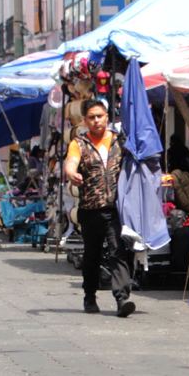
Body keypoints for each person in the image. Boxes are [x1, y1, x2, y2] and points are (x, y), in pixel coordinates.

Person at [64, 99, 135, 317]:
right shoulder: (79, 143)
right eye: (92, 117)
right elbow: (71, 162)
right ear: (85, 121)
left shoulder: (119, 141)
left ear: (107, 117)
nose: (96, 121)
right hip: (90, 208)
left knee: (118, 251)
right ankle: (90, 296)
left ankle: (122, 299)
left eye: (100, 116)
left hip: (115, 208)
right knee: (92, 255)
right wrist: (71, 173)